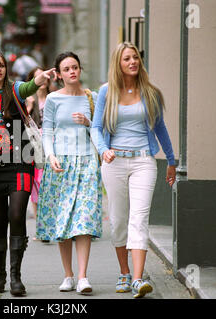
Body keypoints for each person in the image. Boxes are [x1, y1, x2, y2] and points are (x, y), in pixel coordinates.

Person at [91, 42, 176, 298]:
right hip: (114, 161)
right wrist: (103, 149)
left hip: (144, 162)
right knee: (118, 221)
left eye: (136, 57)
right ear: (119, 63)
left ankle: (138, 280)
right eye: (127, 58)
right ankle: (124, 272)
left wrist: (171, 160)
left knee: (139, 219)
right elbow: (96, 127)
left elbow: (160, 128)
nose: (133, 62)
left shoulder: (151, 93)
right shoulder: (107, 92)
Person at [0, 51, 55, 296]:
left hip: (21, 161)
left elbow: (30, 86)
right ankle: (0, 275)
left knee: (16, 214)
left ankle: (16, 277)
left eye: (2, 66)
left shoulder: (14, 90)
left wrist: (41, 78)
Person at [35, 52, 103, 295]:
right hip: (61, 163)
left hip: (86, 163)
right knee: (62, 219)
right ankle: (68, 275)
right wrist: (51, 156)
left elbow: (100, 130)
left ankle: (83, 276)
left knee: (83, 220)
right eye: (67, 69)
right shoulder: (53, 99)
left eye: (75, 67)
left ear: (80, 70)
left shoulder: (92, 97)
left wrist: (88, 122)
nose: (72, 71)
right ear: (60, 74)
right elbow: (47, 131)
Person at [24, 67, 49, 232]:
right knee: (35, 185)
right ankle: (40, 226)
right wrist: (30, 106)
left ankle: (50, 224)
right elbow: (21, 123)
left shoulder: (54, 97)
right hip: (33, 147)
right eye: (37, 77)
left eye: (43, 76)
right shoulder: (27, 100)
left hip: (50, 145)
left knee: (48, 184)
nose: (41, 80)